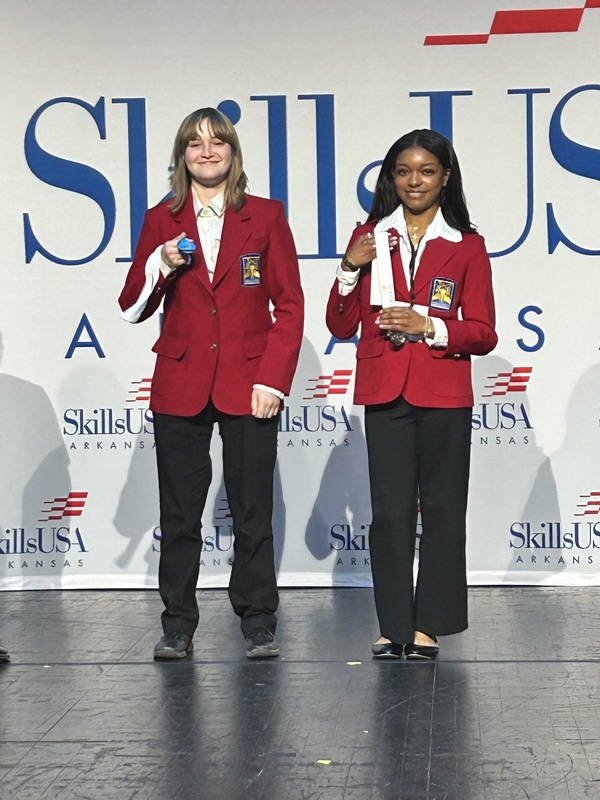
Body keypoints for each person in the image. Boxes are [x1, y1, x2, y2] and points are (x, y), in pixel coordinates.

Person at [119, 107, 304, 659]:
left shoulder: (266, 217)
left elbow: (290, 306)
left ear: (232, 152)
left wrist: (272, 379)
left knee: (252, 508)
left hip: (250, 384)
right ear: (181, 155)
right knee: (179, 513)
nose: (206, 151)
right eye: (194, 143)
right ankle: (177, 623)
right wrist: (160, 262)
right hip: (180, 381)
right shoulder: (161, 219)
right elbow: (131, 305)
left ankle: (258, 619)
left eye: (217, 142)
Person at [326, 129, 497, 660]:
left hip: (444, 390)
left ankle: (430, 626)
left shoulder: (466, 245)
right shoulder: (372, 234)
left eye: (426, 171)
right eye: (403, 171)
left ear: (445, 176)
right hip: (386, 389)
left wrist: (432, 326)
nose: (414, 181)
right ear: (391, 178)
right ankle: (394, 625)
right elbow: (337, 321)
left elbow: (485, 333)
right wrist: (350, 266)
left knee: (444, 509)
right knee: (392, 512)